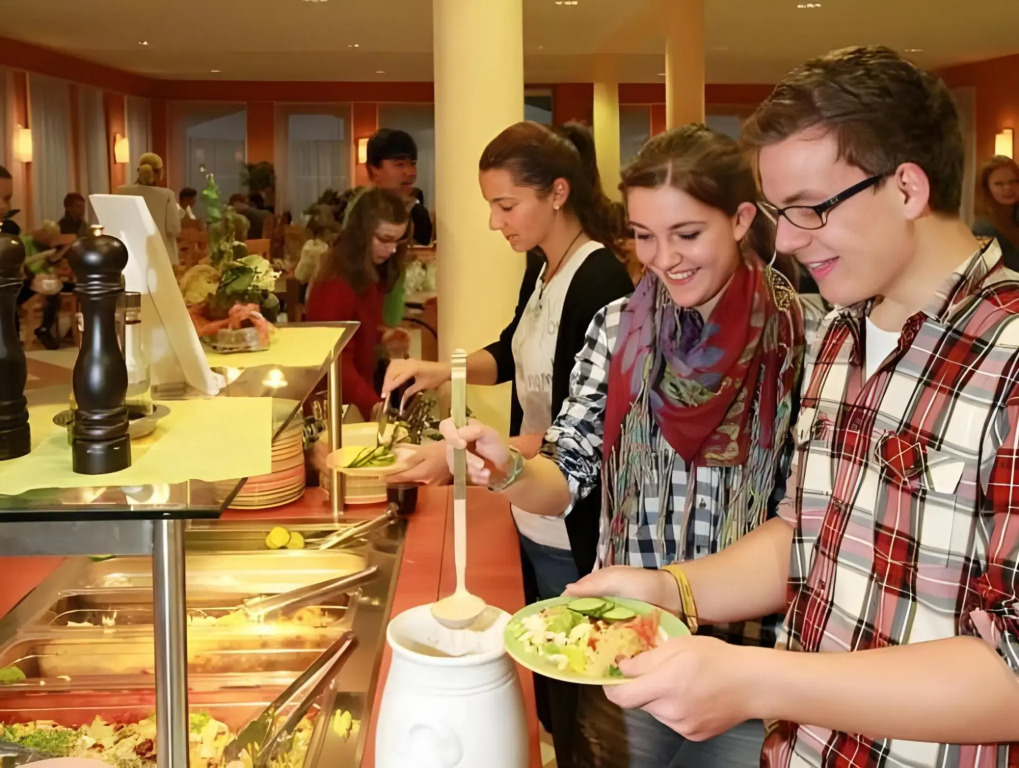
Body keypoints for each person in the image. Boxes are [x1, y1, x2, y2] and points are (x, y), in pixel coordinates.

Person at [559, 45, 1019, 768]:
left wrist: (755, 679)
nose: (792, 241)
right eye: (782, 213)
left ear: (906, 187)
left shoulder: (1008, 356)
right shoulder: (841, 334)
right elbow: (807, 533)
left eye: (809, 209)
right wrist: (669, 589)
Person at [439, 123, 805, 767]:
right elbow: (567, 475)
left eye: (686, 234)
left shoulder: (806, 339)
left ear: (741, 219)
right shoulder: (617, 329)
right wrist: (508, 468)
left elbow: (808, 518)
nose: (664, 259)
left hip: (751, 660)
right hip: (625, 641)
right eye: (644, 235)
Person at [383, 120, 634, 763]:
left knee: (583, 693)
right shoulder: (543, 266)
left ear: (558, 192)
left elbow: (588, 426)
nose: (496, 222)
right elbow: (512, 349)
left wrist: (459, 456)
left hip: (573, 510)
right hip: (530, 501)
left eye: (506, 205)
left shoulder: (600, 281)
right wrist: (443, 369)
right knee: (550, 683)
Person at [305, 187, 410, 420]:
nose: (392, 249)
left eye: (397, 240)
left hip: (351, 402)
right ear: (361, 233)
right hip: (334, 409)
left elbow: (357, 330)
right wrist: (373, 405)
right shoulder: (335, 283)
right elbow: (335, 360)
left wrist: (382, 335)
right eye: (385, 239)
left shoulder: (366, 272)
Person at [366, 128, 433, 247]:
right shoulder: (357, 213)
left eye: (413, 164)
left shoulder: (418, 213)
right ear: (374, 171)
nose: (410, 173)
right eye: (400, 165)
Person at [116, 153, 181, 264]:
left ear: (138, 170)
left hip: (130, 254)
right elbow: (174, 228)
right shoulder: (166, 195)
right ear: (160, 172)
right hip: (161, 256)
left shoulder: (122, 191)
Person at [973, 155, 1019, 268]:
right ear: (987, 188)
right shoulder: (983, 228)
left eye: (1014, 181)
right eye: (999, 184)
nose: (1008, 188)